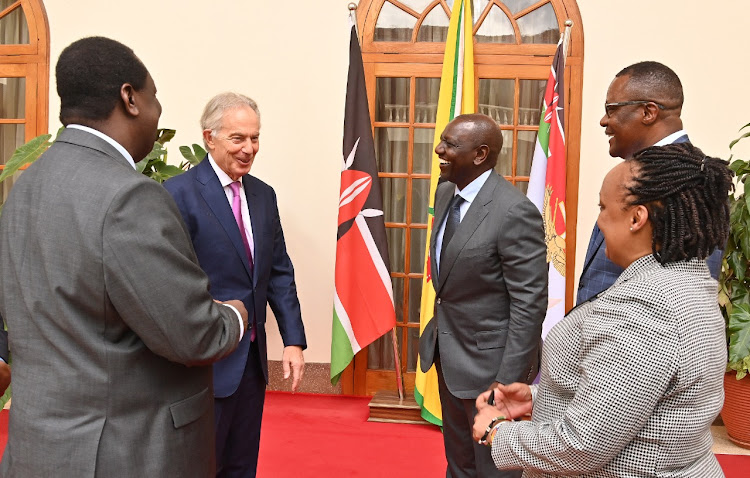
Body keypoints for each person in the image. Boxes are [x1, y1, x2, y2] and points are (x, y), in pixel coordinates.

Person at [0, 37, 249, 477]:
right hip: (123, 453)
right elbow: (193, 335)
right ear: (129, 98)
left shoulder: (25, 188)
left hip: (38, 451)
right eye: (155, 98)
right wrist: (235, 315)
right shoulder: (128, 196)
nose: (158, 115)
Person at [474, 142, 732, 477]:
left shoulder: (646, 308)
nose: (598, 221)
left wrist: (497, 433)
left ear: (637, 218)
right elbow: (636, 401)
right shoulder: (687, 283)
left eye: (603, 207)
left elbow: (581, 444)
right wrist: (541, 398)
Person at [164, 92, 306, 478]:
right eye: (238, 139)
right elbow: (172, 282)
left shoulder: (263, 194)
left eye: (255, 138)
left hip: (252, 362)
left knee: (242, 465)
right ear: (209, 137)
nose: (249, 149)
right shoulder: (177, 194)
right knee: (201, 465)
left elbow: (278, 270)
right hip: (204, 363)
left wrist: (293, 340)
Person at [419, 113, 548, 478]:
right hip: (449, 357)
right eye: (442, 140)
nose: (439, 150)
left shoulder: (514, 211)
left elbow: (529, 303)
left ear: (480, 154)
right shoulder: (446, 192)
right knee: (459, 464)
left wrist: (506, 381)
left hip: (491, 369)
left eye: (450, 144)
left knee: (493, 470)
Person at [577, 61, 722, 303]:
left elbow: (685, 298)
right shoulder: (636, 173)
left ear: (648, 112)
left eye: (611, 109)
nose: (604, 121)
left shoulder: (691, 180)